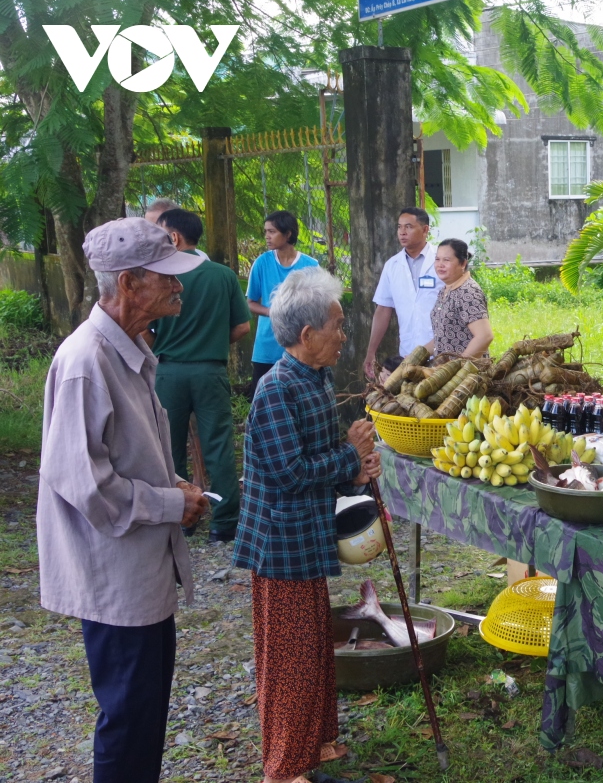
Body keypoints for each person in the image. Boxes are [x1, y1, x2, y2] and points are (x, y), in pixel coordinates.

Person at [37, 218, 209, 783]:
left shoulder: (130, 347)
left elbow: (132, 453)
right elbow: (85, 483)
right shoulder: (86, 361)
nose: (178, 288)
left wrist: (176, 487)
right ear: (130, 283)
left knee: (144, 714)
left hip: (141, 569)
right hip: (114, 574)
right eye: (167, 278)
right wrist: (168, 503)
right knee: (128, 718)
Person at [232, 267, 382, 783]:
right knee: (289, 661)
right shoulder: (275, 390)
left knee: (315, 645)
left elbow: (326, 458)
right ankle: (284, 767)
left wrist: (358, 468)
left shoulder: (315, 378)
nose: (344, 336)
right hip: (281, 543)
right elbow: (290, 472)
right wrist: (349, 456)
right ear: (306, 335)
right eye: (338, 326)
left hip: (307, 535)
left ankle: (314, 743)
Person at [148, 208, 251, 543]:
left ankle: (182, 519)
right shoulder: (223, 275)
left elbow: (147, 331)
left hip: (169, 372)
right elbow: (242, 326)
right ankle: (225, 523)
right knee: (218, 447)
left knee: (168, 447)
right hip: (211, 370)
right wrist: (213, 342)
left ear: (174, 237)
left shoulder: (159, 275)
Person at [364, 207, 444, 378]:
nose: (402, 232)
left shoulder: (442, 260)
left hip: (443, 353)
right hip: (408, 354)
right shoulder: (392, 265)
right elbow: (383, 309)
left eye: (408, 227)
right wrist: (371, 352)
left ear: (425, 230)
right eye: (399, 227)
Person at [247, 210, 319, 394]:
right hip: (266, 349)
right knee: (263, 400)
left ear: (287, 234)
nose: (267, 237)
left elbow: (320, 305)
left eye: (272, 232)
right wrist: (274, 312)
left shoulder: (311, 266)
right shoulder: (261, 263)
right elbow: (251, 302)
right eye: (266, 232)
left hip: (300, 347)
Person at [429, 238, 493, 357]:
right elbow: (443, 336)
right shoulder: (445, 290)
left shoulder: (468, 291)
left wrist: (459, 366)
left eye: (446, 260)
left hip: (467, 373)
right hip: (445, 372)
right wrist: (419, 353)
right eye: (437, 259)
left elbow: (485, 336)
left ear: (463, 263)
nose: (440, 265)